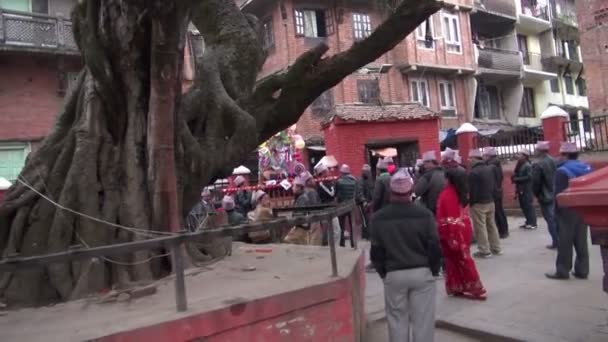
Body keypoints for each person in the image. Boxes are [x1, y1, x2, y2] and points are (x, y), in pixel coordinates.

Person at [370, 170, 441, 342]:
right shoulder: (425, 215)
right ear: (411, 193)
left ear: (390, 193)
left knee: (396, 319)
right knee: (423, 320)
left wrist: (383, 273)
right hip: (422, 272)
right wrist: (434, 270)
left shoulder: (378, 218)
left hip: (394, 273)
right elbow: (434, 246)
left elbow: (376, 252)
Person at [437, 168, 487, 300]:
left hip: (452, 231)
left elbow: (449, 218)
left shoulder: (447, 194)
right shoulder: (464, 192)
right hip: (464, 229)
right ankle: (461, 286)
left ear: (449, 179)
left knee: (458, 259)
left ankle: (474, 287)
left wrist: (450, 236)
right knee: (461, 259)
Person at [546, 142, 592, 280]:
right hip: (584, 207)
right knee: (581, 239)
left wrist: (556, 212)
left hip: (567, 209)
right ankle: (582, 270)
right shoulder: (587, 167)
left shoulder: (562, 171)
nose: (559, 157)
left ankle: (562, 270)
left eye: (561, 154)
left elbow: (558, 195)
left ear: (565, 155)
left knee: (565, 241)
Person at [469, 149, 502, 258]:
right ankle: (496, 248)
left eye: (470, 158)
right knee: (492, 225)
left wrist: (471, 202)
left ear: (475, 159)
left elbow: (472, 190)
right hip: (490, 200)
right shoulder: (489, 169)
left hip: (479, 203)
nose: (469, 160)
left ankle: (484, 250)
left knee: (480, 228)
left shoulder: (473, 172)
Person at [532, 141, 559, 249]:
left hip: (545, 195)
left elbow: (536, 183)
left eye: (536, 149)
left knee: (550, 219)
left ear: (540, 151)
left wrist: (536, 194)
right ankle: (561, 239)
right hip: (556, 192)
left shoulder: (539, 164)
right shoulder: (554, 161)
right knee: (556, 218)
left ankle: (556, 241)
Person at [484, 147, 509, 239]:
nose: (483, 157)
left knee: (497, 212)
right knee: (500, 212)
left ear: (489, 156)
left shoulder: (491, 166)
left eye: (485, 155)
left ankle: (502, 231)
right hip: (498, 190)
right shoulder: (496, 164)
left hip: (494, 191)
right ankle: (504, 230)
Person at [414, 151, 446, 215]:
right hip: (444, 206)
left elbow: (417, 191)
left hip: (431, 207)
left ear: (430, 162)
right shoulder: (445, 172)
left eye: (425, 163)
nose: (424, 166)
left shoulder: (427, 176)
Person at [512, 148, 537, 230]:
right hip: (521, 188)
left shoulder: (527, 165)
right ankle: (528, 221)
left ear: (524, 156)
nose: (518, 156)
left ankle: (533, 223)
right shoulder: (520, 164)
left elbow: (529, 177)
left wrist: (517, 179)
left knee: (528, 206)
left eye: (520, 154)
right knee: (524, 206)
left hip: (526, 188)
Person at [335, 164, 358, 247]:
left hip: (342, 205)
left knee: (341, 226)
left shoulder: (339, 181)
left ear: (342, 172)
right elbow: (356, 193)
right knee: (352, 225)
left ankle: (342, 243)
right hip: (351, 205)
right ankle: (353, 243)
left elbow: (336, 195)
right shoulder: (354, 180)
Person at [358, 164, 374, 239]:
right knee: (365, 219)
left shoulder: (369, 179)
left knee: (368, 219)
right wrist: (364, 201)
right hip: (362, 203)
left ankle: (366, 235)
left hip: (368, 202)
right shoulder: (360, 180)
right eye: (367, 172)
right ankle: (366, 235)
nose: (369, 173)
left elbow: (371, 190)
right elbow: (360, 192)